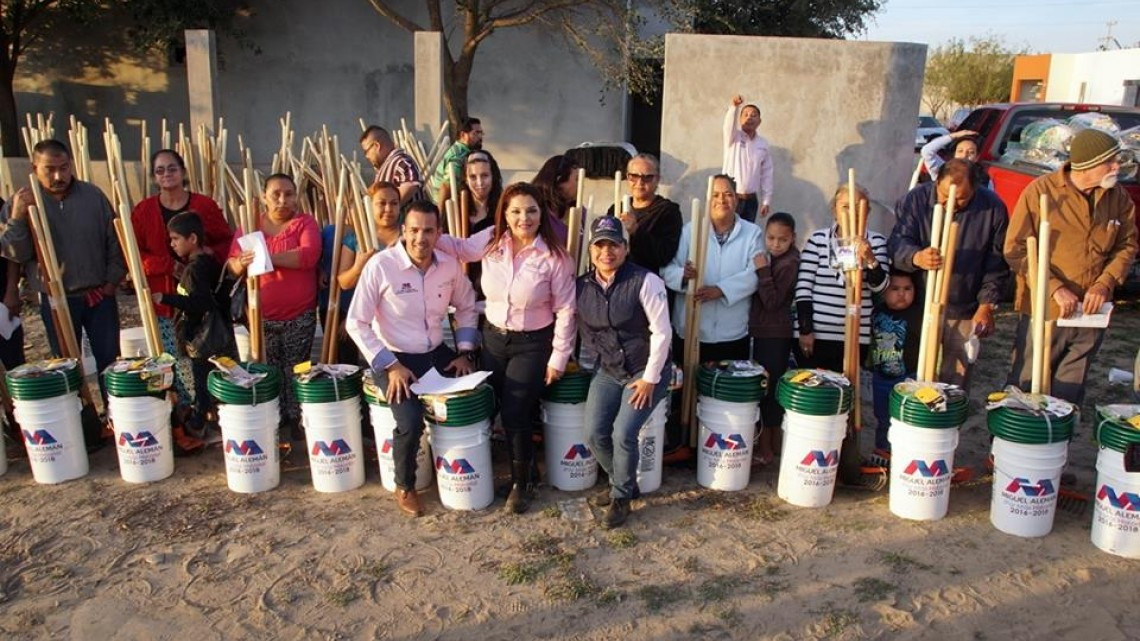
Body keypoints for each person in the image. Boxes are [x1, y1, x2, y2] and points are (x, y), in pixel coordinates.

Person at [435, 182, 576, 513]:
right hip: (494, 339)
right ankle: (527, 467)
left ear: (542, 213)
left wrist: (558, 358)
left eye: (531, 210)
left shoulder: (554, 258)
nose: (523, 218)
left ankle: (520, 485)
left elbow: (567, 311)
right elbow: (459, 248)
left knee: (515, 411)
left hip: (532, 343)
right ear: (504, 214)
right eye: (515, 211)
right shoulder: (490, 241)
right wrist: (424, 234)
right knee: (499, 404)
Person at [345, 201, 479, 517]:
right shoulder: (381, 266)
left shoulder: (448, 267)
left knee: (479, 391)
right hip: (394, 357)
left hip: (435, 352)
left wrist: (464, 351)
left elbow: (467, 307)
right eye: (414, 230)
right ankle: (405, 485)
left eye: (429, 231)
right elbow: (356, 322)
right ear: (403, 231)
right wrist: (390, 366)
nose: (421, 238)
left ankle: (461, 466)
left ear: (439, 233)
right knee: (409, 421)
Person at [1004, 128, 1138, 405]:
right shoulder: (1041, 192)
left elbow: (1127, 246)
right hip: (1046, 311)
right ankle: (1009, 446)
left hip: (1091, 313)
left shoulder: (1119, 198)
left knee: (1069, 391)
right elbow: (1016, 250)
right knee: (1027, 384)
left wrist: (1105, 283)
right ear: (1088, 164)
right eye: (1109, 162)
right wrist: (1054, 289)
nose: (1117, 167)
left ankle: (1056, 444)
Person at [0, 139, 126, 403]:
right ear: (34, 169)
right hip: (57, 299)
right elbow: (15, 253)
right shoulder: (21, 202)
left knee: (108, 360)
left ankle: (114, 416)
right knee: (66, 365)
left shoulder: (93, 196)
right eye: (50, 169)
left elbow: (115, 241)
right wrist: (18, 217)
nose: (59, 176)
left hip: (98, 294)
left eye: (64, 167)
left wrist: (112, 282)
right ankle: (81, 418)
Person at [577, 215, 672, 529]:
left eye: (614, 244)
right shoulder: (582, 287)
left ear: (625, 247)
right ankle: (625, 483)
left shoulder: (646, 281)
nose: (607, 252)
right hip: (608, 369)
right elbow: (580, 329)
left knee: (623, 433)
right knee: (593, 433)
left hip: (645, 369)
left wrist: (649, 378)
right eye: (600, 245)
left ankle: (620, 498)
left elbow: (662, 333)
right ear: (591, 250)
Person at [131, 149, 233, 422]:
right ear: (154, 176)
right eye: (160, 170)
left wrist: (206, 255)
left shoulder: (204, 206)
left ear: (183, 171)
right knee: (173, 357)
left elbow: (225, 240)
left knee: (204, 357)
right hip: (166, 302)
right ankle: (185, 411)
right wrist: (169, 265)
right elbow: (133, 252)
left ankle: (210, 409)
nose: (166, 174)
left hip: (202, 301)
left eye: (172, 168)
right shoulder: (143, 211)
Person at [888, 159, 1009, 389]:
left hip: (963, 305)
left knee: (956, 376)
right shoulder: (915, 200)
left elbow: (996, 263)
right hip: (919, 302)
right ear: (936, 182)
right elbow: (897, 243)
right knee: (914, 369)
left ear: (975, 188)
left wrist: (986, 305)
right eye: (943, 195)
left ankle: (948, 419)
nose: (949, 203)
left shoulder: (993, 208)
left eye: (961, 198)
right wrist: (916, 257)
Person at [228, 174, 321, 435]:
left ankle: (297, 419)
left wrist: (266, 256)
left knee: (297, 367)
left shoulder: (305, 223)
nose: (283, 200)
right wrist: (243, 262)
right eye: (276, 194)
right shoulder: (250, 225)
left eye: (289, 194)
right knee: (269, 369)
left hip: (299, 314)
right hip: (261, 316)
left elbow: (307, 256)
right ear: (264, 198)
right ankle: (274, 419)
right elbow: (233, 264)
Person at [155, 212, 237, 452]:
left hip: (202, 338)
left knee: (202, 384)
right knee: (211, 380)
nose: (172, 244)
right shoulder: (206, 263)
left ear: (192, 239)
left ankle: (199, 426)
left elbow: (200, 302)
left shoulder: (196, 269)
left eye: (175, 239)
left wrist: (166, 297)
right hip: (212, 335)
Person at [662, 175, 762, 363]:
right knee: (688, 388)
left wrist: (721, 290)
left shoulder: (752, 233)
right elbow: (668, 269)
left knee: (726, 388)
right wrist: (683, 276)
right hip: (691, 328)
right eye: (715, 195)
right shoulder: (690, 231)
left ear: (737, 199)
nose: (721, 200)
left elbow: (755, 274)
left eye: (728, 194)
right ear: (708, 200)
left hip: (732, 330)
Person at [794, 183, 889, 372]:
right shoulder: (818, 240)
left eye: (858, 207)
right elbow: (803, 287)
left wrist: (870, 259)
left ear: (867, 212)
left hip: (854, 335)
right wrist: (805, 330)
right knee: (813, 391)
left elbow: (881, 287)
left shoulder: (876, 242)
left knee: (843, 393)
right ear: (834, 210)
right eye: (845, 206)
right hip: (816, 336)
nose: (851, 212)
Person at [748, 212, 799, 466]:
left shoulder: (789, 263)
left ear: (793, 239)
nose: (775, 244)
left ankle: (766, 449)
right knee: (766, 388)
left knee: (768, 390)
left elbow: (772, 301)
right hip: (766, 332)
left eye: (782, 239)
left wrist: (762, 271)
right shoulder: (776, 258)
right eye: (771, 238)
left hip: (775, 334)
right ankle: (770, 445)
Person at [868, 270, 921, 465]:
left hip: (908, 377)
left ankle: (904, 454)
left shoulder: (918, 314)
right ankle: (883, 450)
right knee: (882, 416)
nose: (901, 294)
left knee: (905, 417)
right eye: (895, 289)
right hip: (881, 376)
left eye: (907, 289)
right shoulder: (876, 311)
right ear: (884, 291)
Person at [604, 153, 683, 275]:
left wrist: (636, 231)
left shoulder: (668, 211)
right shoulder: (615, 209)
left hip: (648, 282)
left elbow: (664, 255)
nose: (640, 182)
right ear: (627, 177)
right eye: (634, 176)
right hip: (617, 280)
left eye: (647, 177)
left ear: (657, 179)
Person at [722, 95, 774, 222]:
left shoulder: (763, 144)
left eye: (753, 115)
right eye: (745, 114)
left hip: (751, 201)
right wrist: (734, 107)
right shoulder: (733, 138)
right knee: (728, 233)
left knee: (746, 236)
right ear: (739, 120)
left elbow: (767, 173)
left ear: (759, 121)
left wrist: (766, 200)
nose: (749, 117)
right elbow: (728, 125)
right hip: (732, 198)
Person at [360, 126, 424, 205]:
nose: (367, 156)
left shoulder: (401, 162)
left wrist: (388, 207)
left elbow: (411, 184)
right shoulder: (387, 166)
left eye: (366, 151)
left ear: (377, 146)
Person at [430, 117, 484, 202]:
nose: (480, 137)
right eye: (476, 133)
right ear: (463, 135)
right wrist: (439, 214)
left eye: (481, 133)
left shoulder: (461, 152)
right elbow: (446, 186)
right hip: (447, 209)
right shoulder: (458, 155)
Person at [532, 154, 580, 246]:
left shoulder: (579, 211)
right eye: (577, 179)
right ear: (559, 182)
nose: (582, 185)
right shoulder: (536, 212)